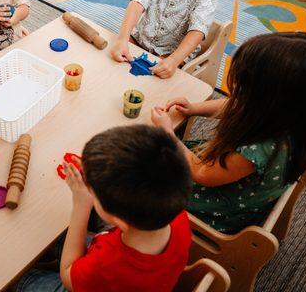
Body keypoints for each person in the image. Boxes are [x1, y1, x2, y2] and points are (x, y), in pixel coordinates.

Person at [152, 32, 306, 233]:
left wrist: (168, 133)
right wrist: (194, 108)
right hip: (235, 184)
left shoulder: (257, 150)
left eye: (242, 87)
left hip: (213, 208)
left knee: (143, 171)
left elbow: (202, 173)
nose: (236, 90)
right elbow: (238, 105)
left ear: (271, 101)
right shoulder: (300, 118)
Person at [17, 125, 192, 291]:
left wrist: (81, 205)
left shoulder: (107, 265)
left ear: (119, 221)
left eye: (94, 192)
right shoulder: (176, 213)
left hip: (95, 278)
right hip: (144, 277)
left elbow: (67, 276)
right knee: (54, 235)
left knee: (21, 277)